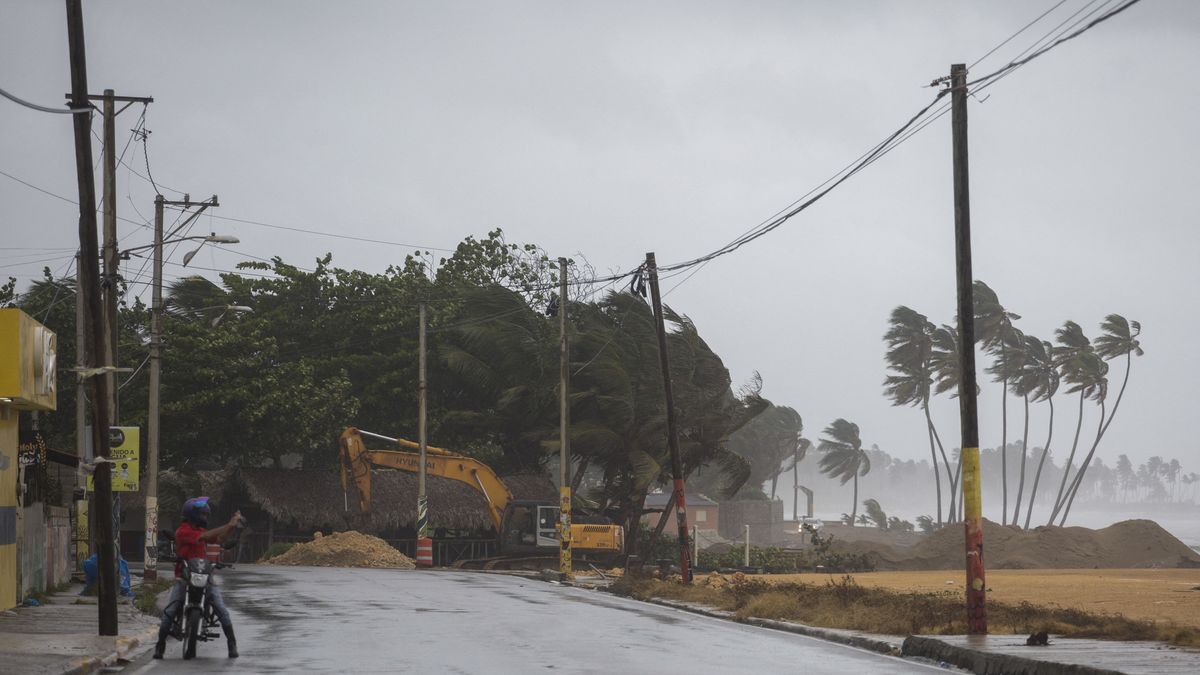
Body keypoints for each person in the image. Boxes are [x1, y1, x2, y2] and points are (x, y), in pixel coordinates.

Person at [153, 496, 244, 659]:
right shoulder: (183, 531)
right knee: (170, 610)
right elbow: (205, 537)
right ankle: (160, 645)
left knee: (221, 609)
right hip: (184, 577)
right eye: (203, 515)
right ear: (192, 515)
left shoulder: (201, 531)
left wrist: (232, 525)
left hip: (204, 576)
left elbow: (220, 538)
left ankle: (232, 643)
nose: (205, 518)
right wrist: (229, 524)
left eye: (206, 515)